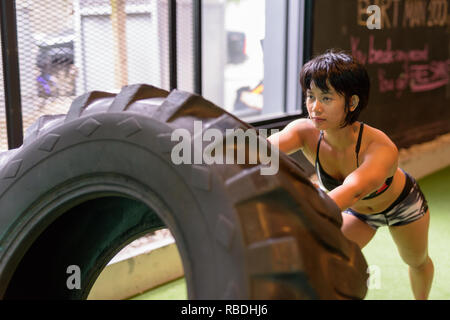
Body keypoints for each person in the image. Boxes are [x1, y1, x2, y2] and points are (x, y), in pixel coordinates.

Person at [267, 50, 434, 300]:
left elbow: (353, 189)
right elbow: (257, 151)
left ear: (352, 103)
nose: (315, 107)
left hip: (402, 205)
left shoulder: (380, 147)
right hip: (358, 213)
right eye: (310, 96)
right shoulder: (304, 132)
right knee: (322, 259)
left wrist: (299, 211)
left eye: (326, 97)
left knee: (416, 260)